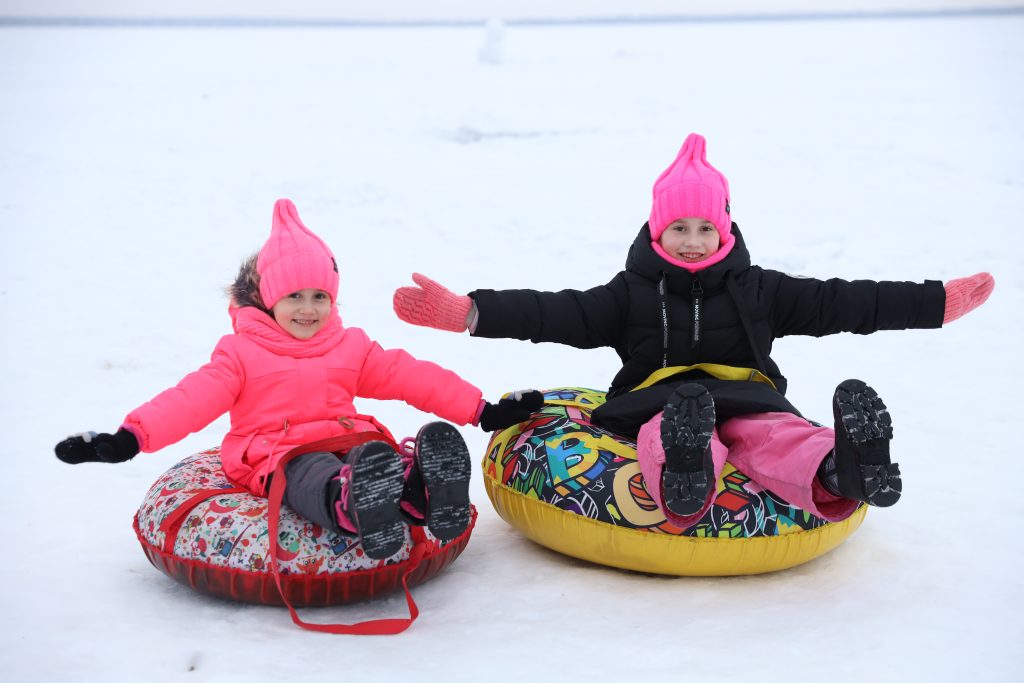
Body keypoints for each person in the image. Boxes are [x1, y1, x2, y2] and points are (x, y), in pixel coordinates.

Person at [391, 133, 995, 529]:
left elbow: (848, 301)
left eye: (704, 228)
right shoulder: (628, 295)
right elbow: (556, 312)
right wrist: (472, 312)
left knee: (776, 435)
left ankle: (841, 468)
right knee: (670, 430)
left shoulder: (763, 291)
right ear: (656, 230)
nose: (691, 240)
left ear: (725, 229)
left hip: (751, 395)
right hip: (662, 399)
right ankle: (687, 473)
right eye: (678, 227)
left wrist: (935, 303)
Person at [55, 199, 541, 559]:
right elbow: (192, 399)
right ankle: (350, 503)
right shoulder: (241, 353)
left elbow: (410, 376)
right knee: (312, 476)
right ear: (267, 298)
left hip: (346, 438)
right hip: (275, 452)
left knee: (377, 456)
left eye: (320, 297)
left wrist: (481, 410)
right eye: (294, 297)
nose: (308, 310)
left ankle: (418, 492)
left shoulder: (349, 346)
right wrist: (132, 436)